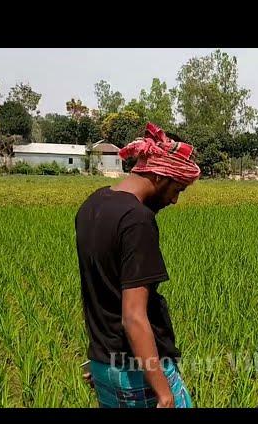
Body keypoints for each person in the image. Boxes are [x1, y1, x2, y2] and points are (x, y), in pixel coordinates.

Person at [74, 122, 201, 408]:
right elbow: (133, 316)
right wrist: (164, 392)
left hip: (104, 366)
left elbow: (98, 290)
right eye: (176, 188)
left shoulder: (91, 205)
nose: (175, 200)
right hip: (138, 372)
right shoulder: (137, 220)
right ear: (159, 175)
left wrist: (102, 356)